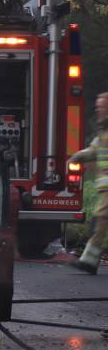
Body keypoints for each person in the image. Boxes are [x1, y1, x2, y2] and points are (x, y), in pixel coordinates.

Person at [69, 92, 108, 274]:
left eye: (101, 106)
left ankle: (88, 261)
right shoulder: (104, 130)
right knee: (100, 222)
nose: (98, 110)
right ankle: (89, 261)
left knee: (100, 220)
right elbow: (94, 150)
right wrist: (76, 157)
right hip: (105, 188)